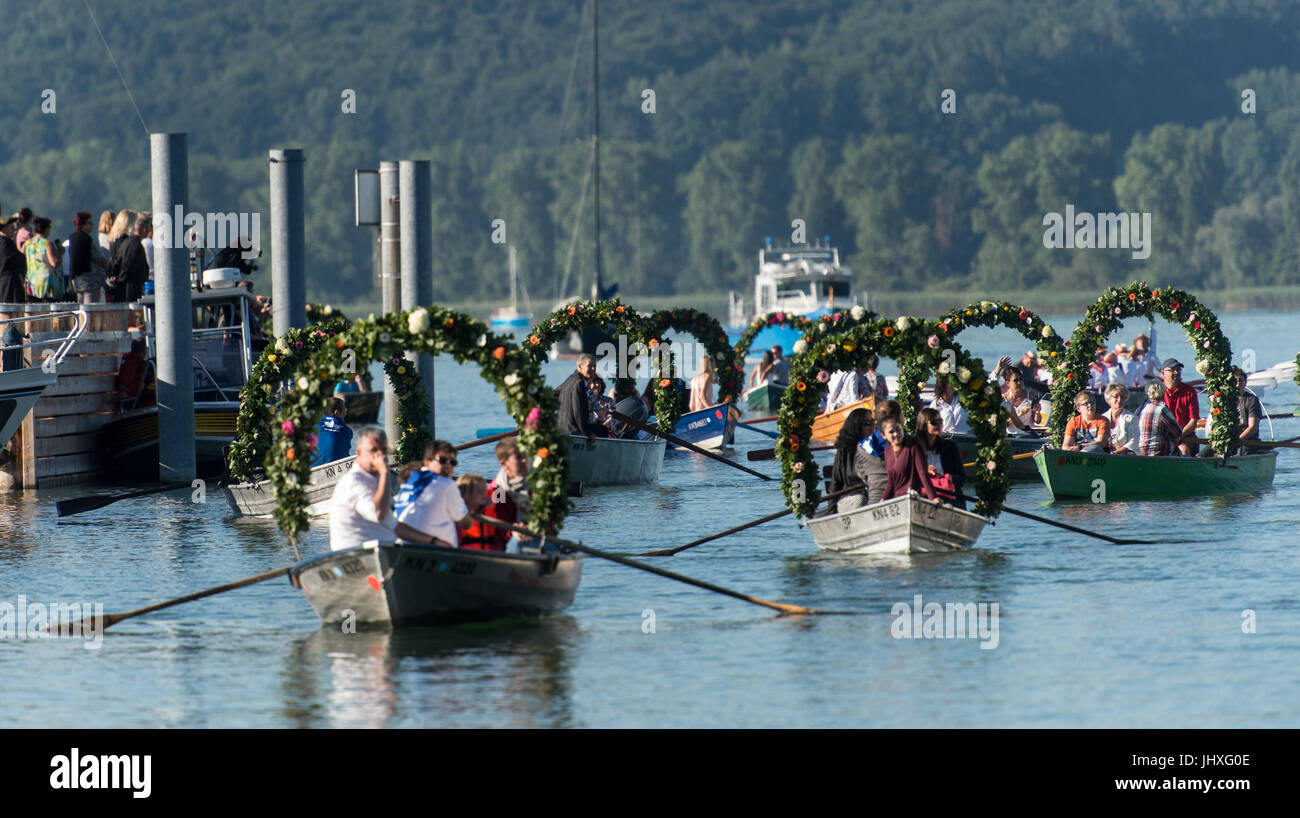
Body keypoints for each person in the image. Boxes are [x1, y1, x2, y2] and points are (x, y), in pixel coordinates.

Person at [328, 427, 441, 550]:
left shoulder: (377, 479)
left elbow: (394, 525)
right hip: (355, 555)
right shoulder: (353, 482)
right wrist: (384, 473)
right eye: (374, 450)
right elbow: (378, 514)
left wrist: (433, 541)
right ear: (359, 453)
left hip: (385, 549)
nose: (380, 455)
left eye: (383, 450)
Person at [393, 440, 471, 548]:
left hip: (400, 545)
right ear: (427, 463)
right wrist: (469, 510)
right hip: (431, 552)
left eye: (453, 462)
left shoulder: (410, 480)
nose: (448, 465)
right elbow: (466, 524)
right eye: (443, 460)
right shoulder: (447, 484)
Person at [1201, 366, 1263, 457]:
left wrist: (1237, 441)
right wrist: (1214, 402)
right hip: (1228, 439)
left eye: (1240, 381)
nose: (1238, 384)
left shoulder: (1251, 400)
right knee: (1202, 455)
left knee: (1239, 456)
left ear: (1245, 382)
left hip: (1247, 441)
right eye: (1235, 381)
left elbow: (1253, 427)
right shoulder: (1226, 399)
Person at [483, 438, 532, 551]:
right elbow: (499, 522)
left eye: (525, 455)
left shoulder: (537, 484)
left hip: (538, 537)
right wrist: (513, 531)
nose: (525, 460)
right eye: (519, 457)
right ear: (503, 463)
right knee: (518, 544)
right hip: (509, 542)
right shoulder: (498, 490)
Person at [915, 406, 966, 508]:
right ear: (924, 425)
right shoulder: (913, 448)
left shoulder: (950, 447)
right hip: (922, 496)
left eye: (941, 421)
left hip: (948, 498)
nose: (939, 425)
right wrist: (925, 471)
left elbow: (961, 478)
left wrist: (942, 477)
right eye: (934, 422)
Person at [880, 416, 938, 501]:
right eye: (891, 432)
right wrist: (883, 499)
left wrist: (933, 497)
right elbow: (891, 481)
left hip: (913, 498)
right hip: (897, 500)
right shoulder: (887, 451)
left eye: (898, 430)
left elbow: (923, 474)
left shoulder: (913, 447)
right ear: (884, 435)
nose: (896, 434)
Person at [828, 408, 872, 513]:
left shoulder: (876, 447)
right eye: (867, 424)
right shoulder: (844, 451)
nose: (872, 427)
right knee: (860, 500)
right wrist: (832, 511)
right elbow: (836, 482)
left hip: (873, 496)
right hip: (852, 496)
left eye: (873, 422)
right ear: (856, 427)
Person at [556, 354, 604, 439]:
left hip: (561, 429)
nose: (593, 369)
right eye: (589, 366)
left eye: (594, 366)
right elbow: (578, 411)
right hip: (573, 430)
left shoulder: (569, 380)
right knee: (603, 430)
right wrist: (588, 434)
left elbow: (553, 395)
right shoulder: (579, 383)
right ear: (580, 367)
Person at [1158, 358, 1199, 456]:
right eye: (1172, 370)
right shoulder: (1157, 391)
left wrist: (1179, 435)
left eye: (1178, 370)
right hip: (1160, 436)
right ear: (1162, 373)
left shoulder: (1189, 392)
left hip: (1184, 436)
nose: (1176, 372)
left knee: (1184, 451)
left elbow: (1193, 421)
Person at [107, 210, 149, 303]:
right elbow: (127, 267)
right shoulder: (132, 244)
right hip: (129, 292)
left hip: (121, 290)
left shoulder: (118, 242)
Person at [66, 212, 108, 304]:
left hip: (78, 280)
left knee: (80, 307)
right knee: (90, 308)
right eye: (90, 223)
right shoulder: (88, 239)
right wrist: (107, 266)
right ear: (83, 224)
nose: (92, 225)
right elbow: (99, 259)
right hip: (92, 280)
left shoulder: (73, 238)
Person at [1134, 382, 1182, 457]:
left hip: (1140, 454)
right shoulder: (1162, 409)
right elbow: (1178, 432)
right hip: (1160, 456)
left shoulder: (1139, 409)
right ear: (1163, 393)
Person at [23, 217, 64, 302]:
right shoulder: (46, 243)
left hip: (31, 281)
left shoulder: (28, 243)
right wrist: (60, 252)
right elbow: (54, 263)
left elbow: (22, 252)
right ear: (47, 229)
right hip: (45, 283)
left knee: (33, 310)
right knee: (49, 310)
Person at [454, 474, 498, 550]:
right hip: (465, 557)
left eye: (484, 490)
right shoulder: (456, 514)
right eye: (479, 492)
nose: (484, 494)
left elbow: (499, 487)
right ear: (467, 493)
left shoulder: (491, 510)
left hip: (489, 556)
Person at [113, 337, 155, 409]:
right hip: (139, 404)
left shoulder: (128, 361)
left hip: (138, 401)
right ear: (144, 349)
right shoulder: (134, 363)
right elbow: (125, 385)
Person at [312, 397, 354, 467]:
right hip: (336, 467)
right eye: (344, 410)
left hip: (312, 467)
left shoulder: (313, 426)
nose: (346, 413)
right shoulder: (347, 431)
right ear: (336, 412)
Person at [1103, 382, 1137, 454]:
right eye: (1116, 396)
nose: (1119, 399)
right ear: (1108, 399)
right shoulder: (1103, 418)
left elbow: (1133, 442)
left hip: (1126, 455)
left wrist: (1115, 452)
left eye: (1122, 397)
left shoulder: (1131, 418)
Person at [0, 213, 26, 306]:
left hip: (6, 283)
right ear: (4, 228)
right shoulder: (5, 243)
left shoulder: (5, 241)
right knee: (7, 313)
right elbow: (17, 261)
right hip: (7, 285)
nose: (14, 230)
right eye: (11, 228)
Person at [1001, 368, 1037, 434]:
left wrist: (1037, 412)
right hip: (1011, 437)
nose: (1019, 383)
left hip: (1028, 436)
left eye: (1021, 379)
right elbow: (1003, 424)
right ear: (1008, 383)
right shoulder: (1003, 399)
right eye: (1015, 380)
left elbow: (1037, 421)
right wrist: (1020, 414)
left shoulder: (1031, 396)